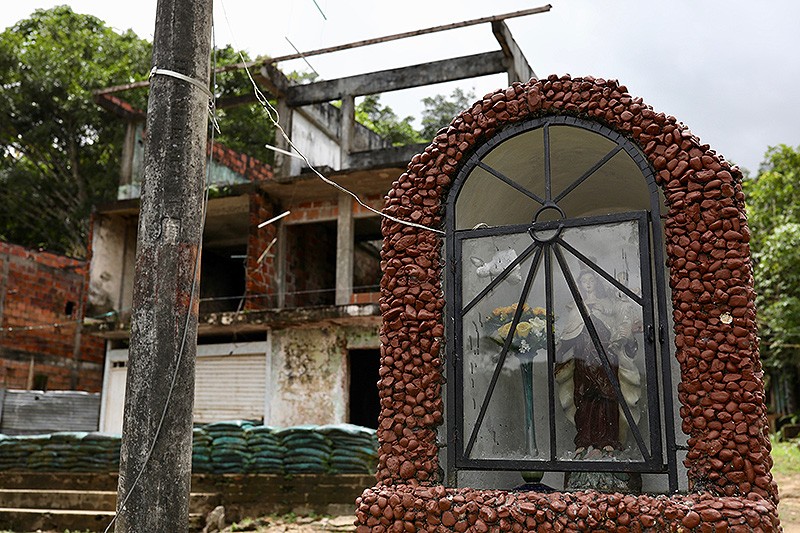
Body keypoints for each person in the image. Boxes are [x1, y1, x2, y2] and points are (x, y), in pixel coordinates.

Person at [554, 268, 641, 454]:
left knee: (608, 395)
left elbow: (623, 337)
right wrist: (558, 352)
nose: (588, 284)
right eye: (584, 280)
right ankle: (584, 440)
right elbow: (569, 336)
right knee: (585, 397)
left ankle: (608, 439)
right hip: (583, 360)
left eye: (591, 280)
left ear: (597, 283)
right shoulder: (577, 309)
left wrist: (628, 337)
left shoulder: (608, 305)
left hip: (606, 358)